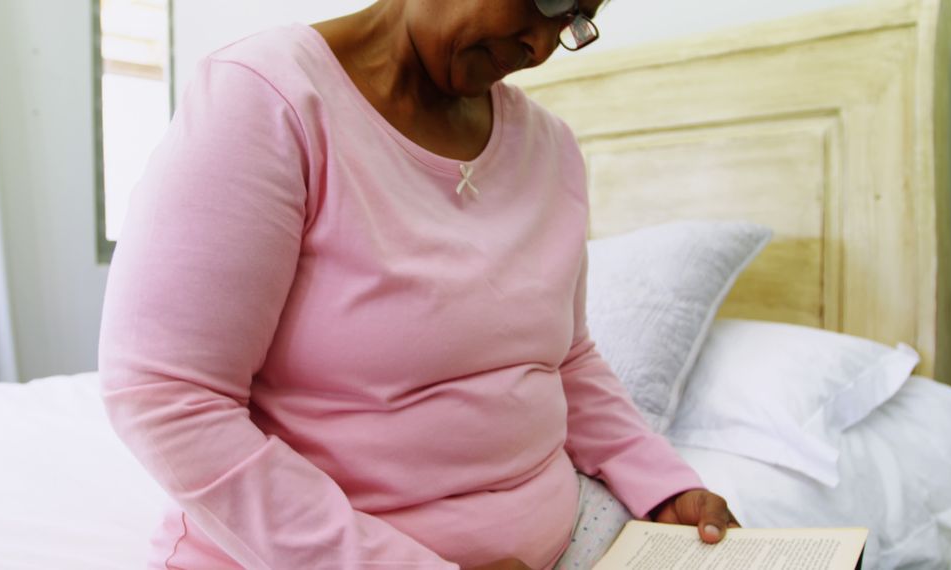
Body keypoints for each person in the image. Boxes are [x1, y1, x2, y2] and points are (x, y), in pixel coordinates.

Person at [98, 1, 739, 568]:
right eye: (546, 1)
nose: (542, 47)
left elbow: (567, 358)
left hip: (564, 537)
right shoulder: (269, 100)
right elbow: (165, 396)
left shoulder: (552, 148)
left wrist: (663, 483)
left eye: (574, 20)